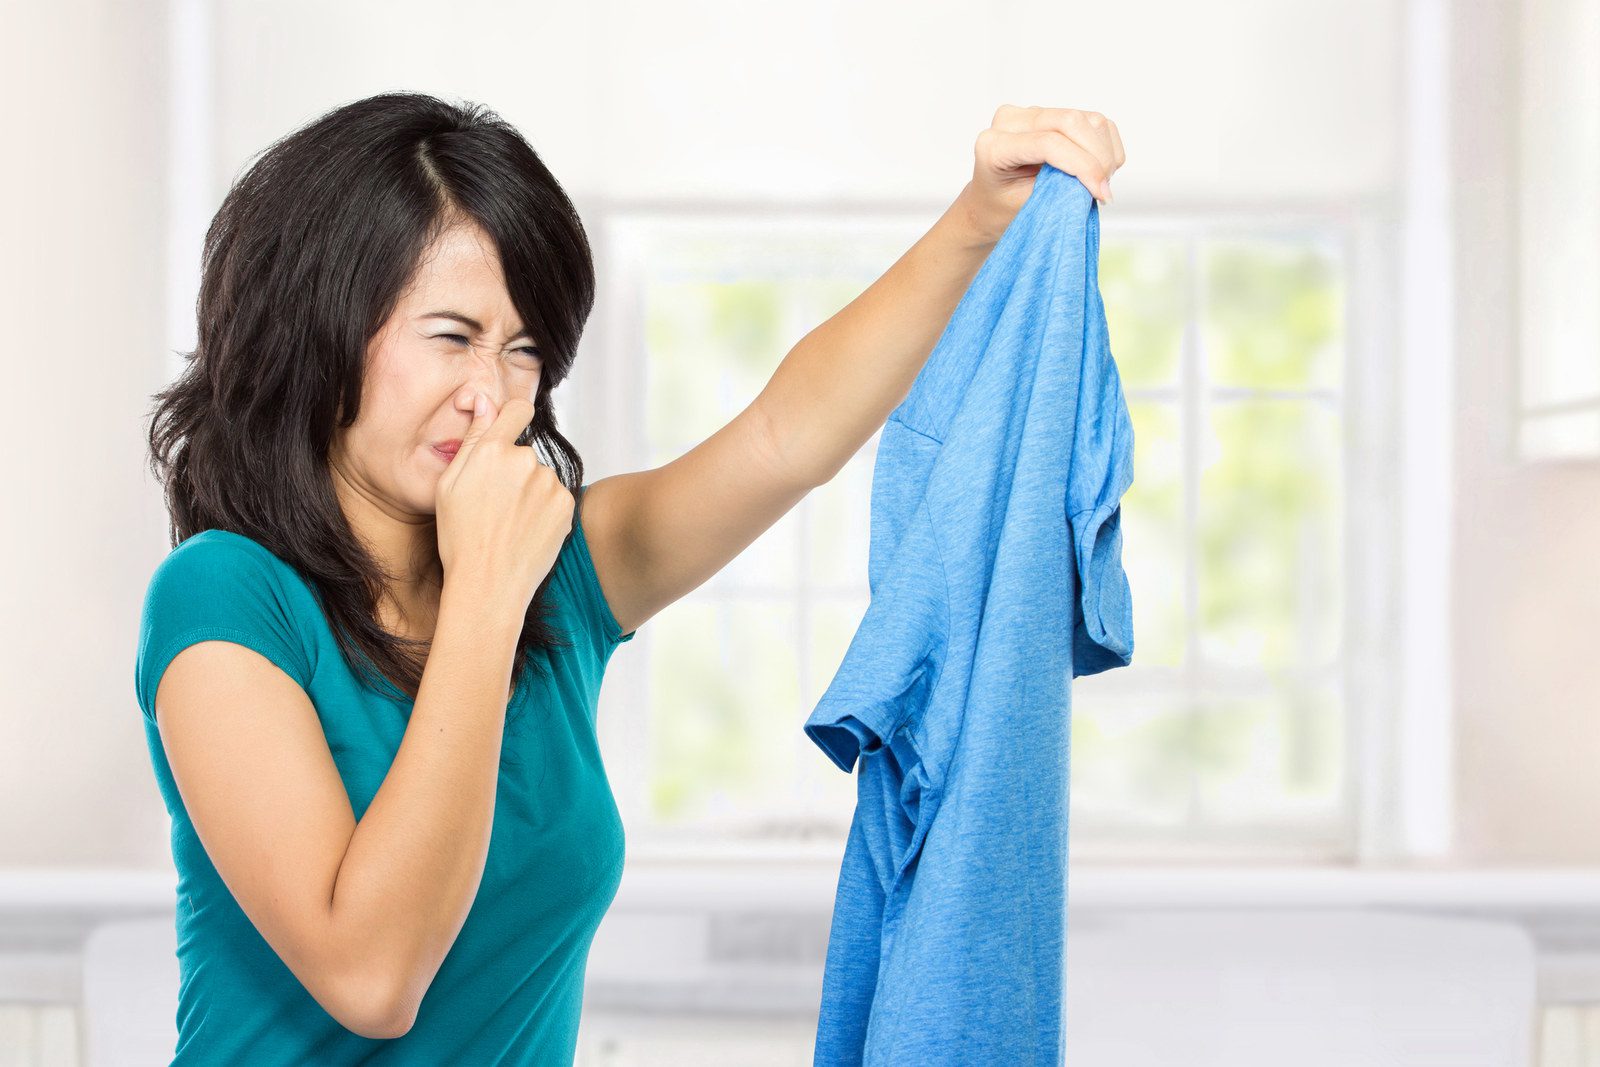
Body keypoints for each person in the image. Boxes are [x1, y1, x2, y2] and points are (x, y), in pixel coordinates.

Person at [135, 91, 1123, 1063]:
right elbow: (373, 977)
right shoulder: (224, 595)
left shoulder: (557, 579)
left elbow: (785, 436)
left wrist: (976, 218)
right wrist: (486, 593)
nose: (491, 394)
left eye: (523, 350)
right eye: (451, 335)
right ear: (318, 325)